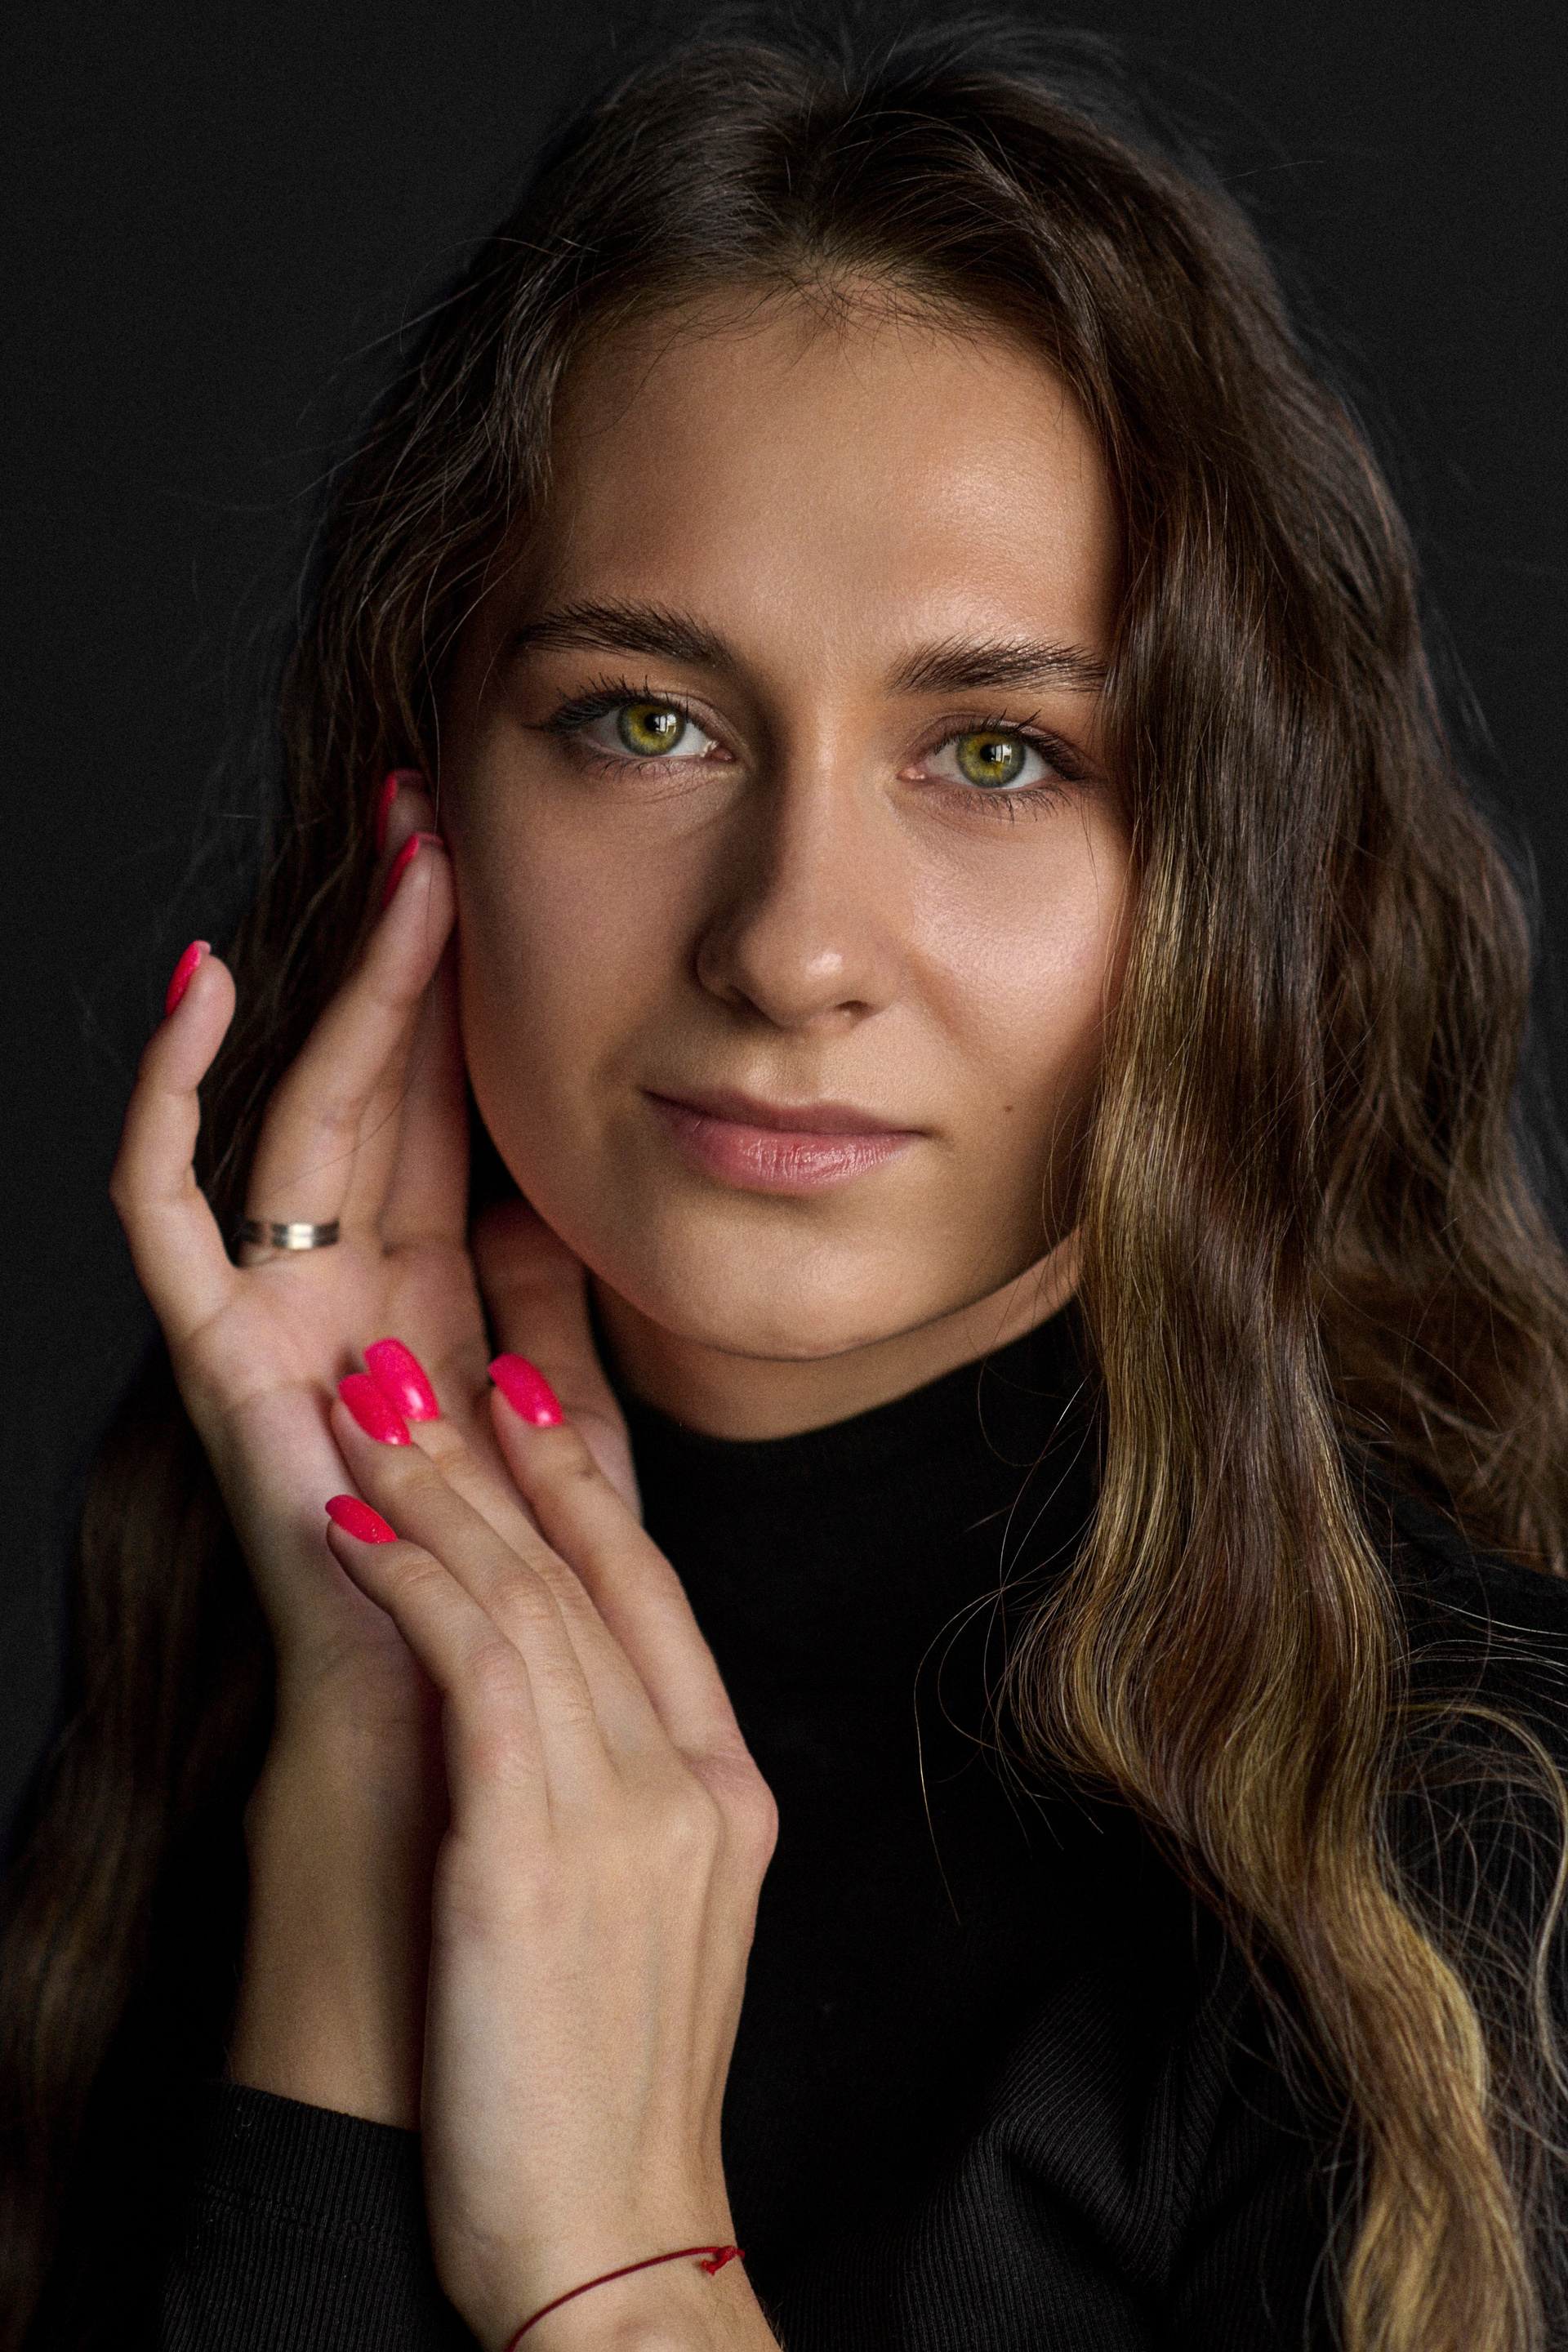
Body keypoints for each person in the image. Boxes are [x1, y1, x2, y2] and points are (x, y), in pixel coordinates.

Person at [4, 20, 1568, 2352]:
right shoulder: (233, 1693)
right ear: (427, 794)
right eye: (648, 720)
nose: (793, 945)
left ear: (1233, 878)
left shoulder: (1485, 1860)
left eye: (999, 754)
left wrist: (630, 2277)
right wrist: (378, 1745)